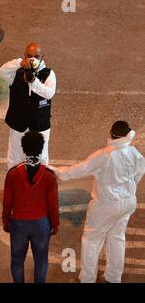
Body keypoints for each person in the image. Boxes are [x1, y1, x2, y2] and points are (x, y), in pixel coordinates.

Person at [50, 121, 145, 283]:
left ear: (111, 134)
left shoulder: (104, 155)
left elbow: (80, 169)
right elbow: (138, 175)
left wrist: (57, 172)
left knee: (91, 240)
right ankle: (113, 278)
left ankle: (87, 279)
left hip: (106, 205)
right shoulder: (135, 153)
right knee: (117, 238)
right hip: (128, 202)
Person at [2, 131, 59, 283]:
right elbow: (53, 204)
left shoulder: (13, 174)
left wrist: (6, 221)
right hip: (41, 224)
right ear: (41, 149)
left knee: (17, 261)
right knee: (41, 261)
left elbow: (7, 202)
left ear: (23, 148)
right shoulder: (49, 176)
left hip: (18, 224)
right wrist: (55, 224)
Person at [0, 42, 57, 169]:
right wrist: (19, 63)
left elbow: (49, 93)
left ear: (42, 57)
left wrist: (33, 82)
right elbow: (1, 73)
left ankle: (41, 184)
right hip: (18, 123)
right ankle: (14, 183)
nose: (33, 59)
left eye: (36, 56)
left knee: (42, 157)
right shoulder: (16, 71)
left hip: (40, 124)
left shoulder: (48, 74)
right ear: (24, 56)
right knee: (16, 157)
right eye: (29, 56)